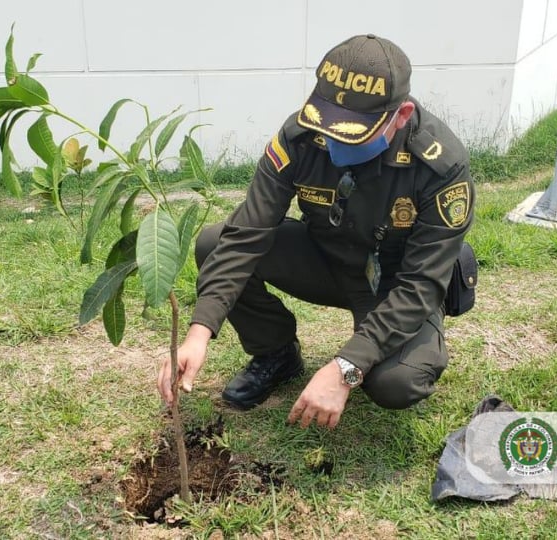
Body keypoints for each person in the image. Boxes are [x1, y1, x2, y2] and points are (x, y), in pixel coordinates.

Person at [157, 34, 474, 429]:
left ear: (402, 114)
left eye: (353, 132)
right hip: (327, 260)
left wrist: (346, 366)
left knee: (396, 383)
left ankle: (385, 351)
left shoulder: (440, 165)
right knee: (215, 242)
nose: (334, 140)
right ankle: (276, 354)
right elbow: (246, 234)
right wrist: (199, 331)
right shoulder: (300, 138)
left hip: (396, 284)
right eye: (329, 125)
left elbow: (421, 284)